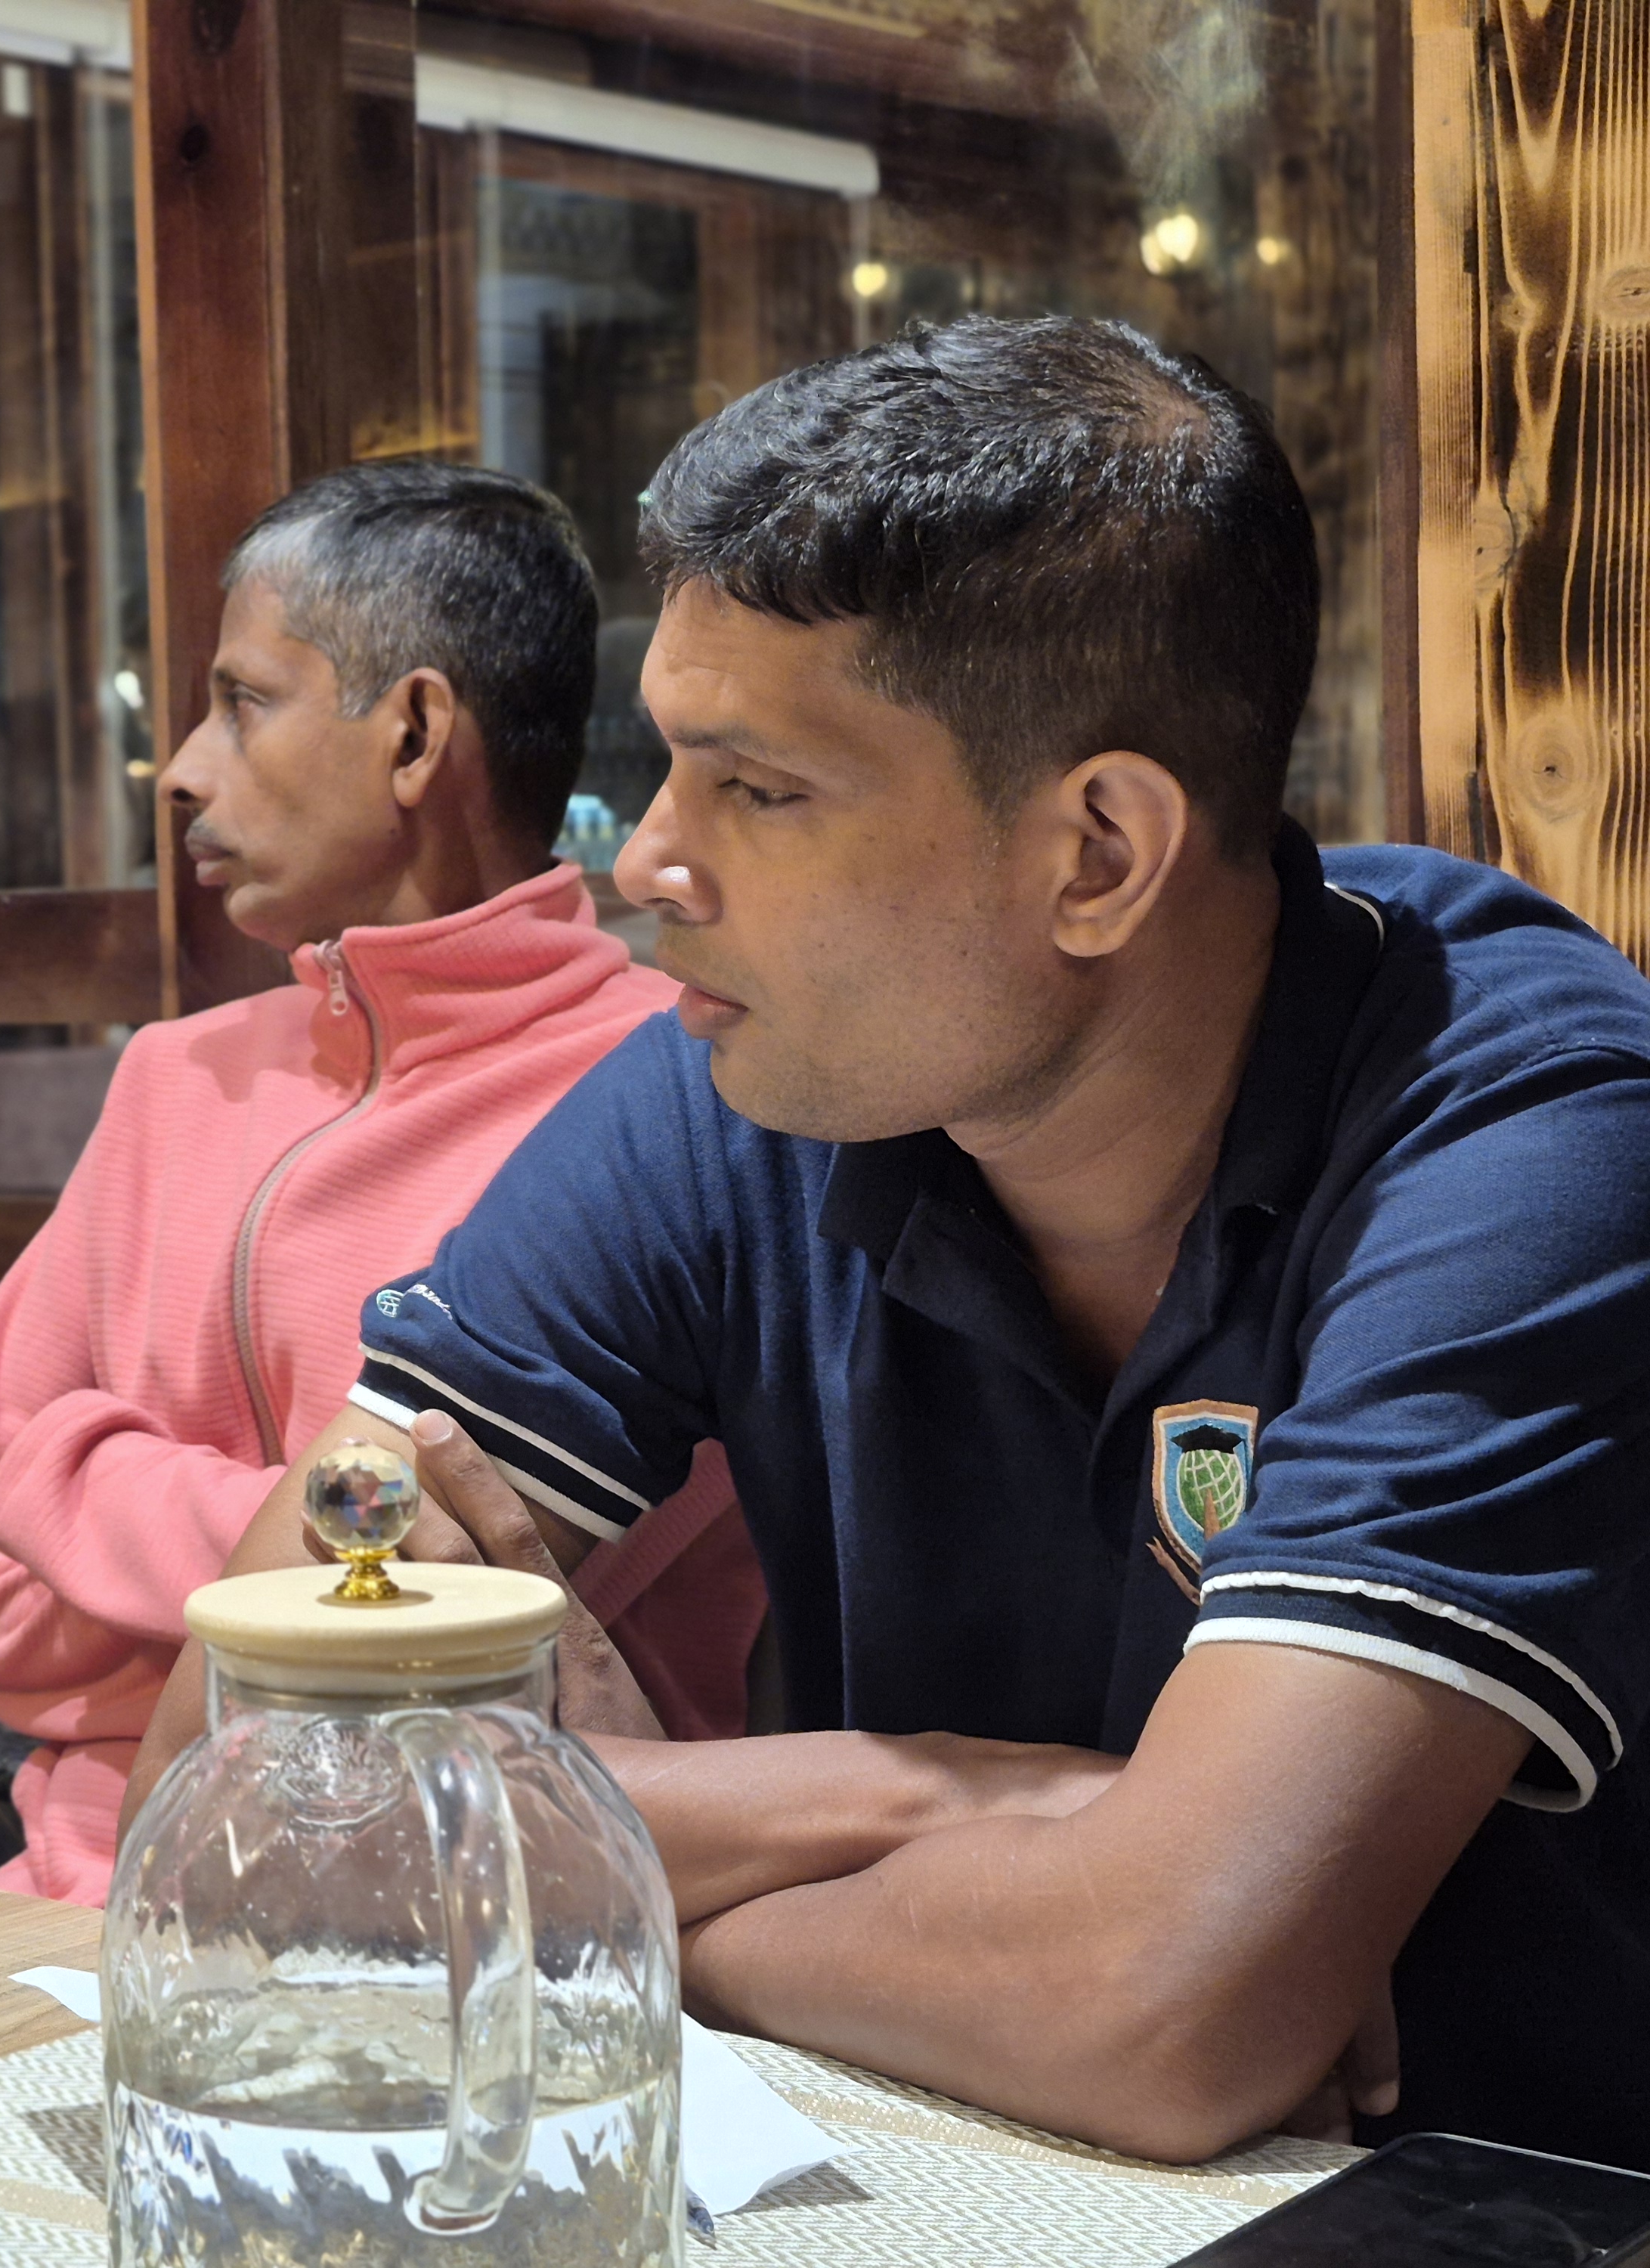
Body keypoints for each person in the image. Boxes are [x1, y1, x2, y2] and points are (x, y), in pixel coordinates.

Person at [124, 316, 1650, 2167]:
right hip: (946, 2159)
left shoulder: (1528, 1138)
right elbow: (220, 1805)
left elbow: (1157, 2012)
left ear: (1097, 854)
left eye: (758, 788)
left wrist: (602, 1865)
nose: (645, 862)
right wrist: (959, 1804)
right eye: (662, 762)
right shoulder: (737, 1082)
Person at [0, 463, 762, 1905]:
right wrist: (297, 1530)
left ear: (415, 733)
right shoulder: (172, 1078)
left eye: (243, 702)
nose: (181, 768)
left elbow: (446, 1656)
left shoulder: (671, 1099)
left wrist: (74, 1481)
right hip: (69, 1895)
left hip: (468, 1914)